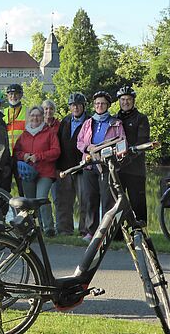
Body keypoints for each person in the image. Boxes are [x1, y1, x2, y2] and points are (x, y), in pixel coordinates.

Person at [77, 91, 126, 241]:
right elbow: (79, 142)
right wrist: (89, 147)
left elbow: (122, 142)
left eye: (103, 103)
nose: (99, 106)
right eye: (97, 103)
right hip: (89, 165)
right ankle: (91, 232)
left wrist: (110, 153)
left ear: (108, 105)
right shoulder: (88, 122)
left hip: (107, 166)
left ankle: (105, 233)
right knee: (90, 199)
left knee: (107, 200)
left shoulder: (116, 123)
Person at [14, 106, 60, 236]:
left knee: (42, 198)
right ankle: (32, 228)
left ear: (42, 117)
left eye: (38, 115)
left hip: (45, 172)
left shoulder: (49, 133)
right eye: (33, 115)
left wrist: (39, 156)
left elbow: (56, 151)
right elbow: (16, 152)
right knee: (28, 202)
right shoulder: (24, 134)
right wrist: (24, 156)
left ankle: (49, 229)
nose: (35, 118)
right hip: (28, 173)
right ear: (29, 117)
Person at [55, 92, 88, 236]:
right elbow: (59, 143)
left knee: (84, 201)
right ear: (70, 107)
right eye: (73, 105)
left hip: (83, 168)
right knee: (64, 202)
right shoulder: (65, 121)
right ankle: (64, 230)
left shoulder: (89, 121)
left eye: (78, 105)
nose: (75, 108)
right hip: (65, 168)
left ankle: (84, 231)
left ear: (83, 106)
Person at [116, 85, 150, 223]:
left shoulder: (141, 118)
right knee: (117, 203)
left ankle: (142, 235)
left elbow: (142, 142)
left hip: (135, 170)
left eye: (128, 99)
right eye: (123, 99)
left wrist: (127, 156)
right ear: (119, 101)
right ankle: (117, 235)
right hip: (118, 169)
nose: (125, 102)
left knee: (138, 204)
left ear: (133, 100)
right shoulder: (115, 119)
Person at [5, 83, 26, 196]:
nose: (13, 97)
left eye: (16, 94)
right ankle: (3, 213)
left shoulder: (28, 112)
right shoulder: (2, 113)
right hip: (6, 157)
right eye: (11, 94)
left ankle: (28, 213)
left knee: (23, 190)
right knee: (4, 189)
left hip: (21, 156)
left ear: (21, 95)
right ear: (7, 96)